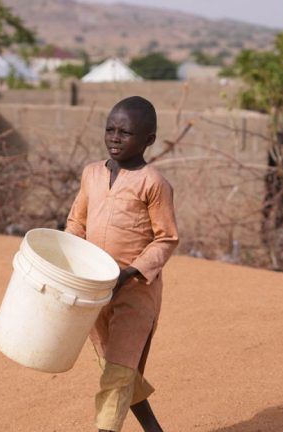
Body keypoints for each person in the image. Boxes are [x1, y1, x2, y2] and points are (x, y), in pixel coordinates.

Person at [65, 96, 180, 432]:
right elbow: (76, 223)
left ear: (148, 140)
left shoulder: (153, 183)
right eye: (110, 129)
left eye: (125, 133)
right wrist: (68, 259)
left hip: (135, 292)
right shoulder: (91, 174)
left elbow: (166, 239)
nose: (114, 138)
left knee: (118, 373)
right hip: (94, 290)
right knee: (118, 368)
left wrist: (128, 273)